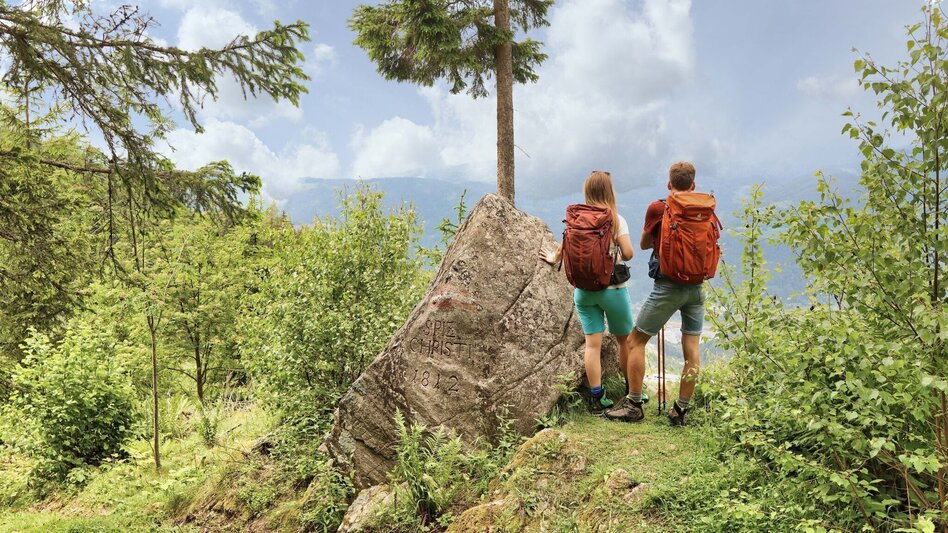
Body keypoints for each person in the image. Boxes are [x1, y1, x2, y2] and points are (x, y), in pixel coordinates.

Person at [605, 161, 706, 426]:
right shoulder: (703, 208)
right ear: (693, 185)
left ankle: (634, 404)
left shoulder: (659, 207)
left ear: (669, 184)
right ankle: (680, 411)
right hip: (696, 288)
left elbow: (643, 243)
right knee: (692, 351)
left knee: (635, 341)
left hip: (667, 287)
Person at [540, 171, 634, 415]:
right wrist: (615, 254)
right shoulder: (615, 220)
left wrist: (552, 257)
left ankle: (596, 398)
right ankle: (631, 391)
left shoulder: (577, 218)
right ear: (609, 191)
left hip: (583, 292)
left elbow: (564, 248)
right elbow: (629, 252)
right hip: (612, 291)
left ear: (587, 191)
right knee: (626, 342)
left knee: (592, 345)